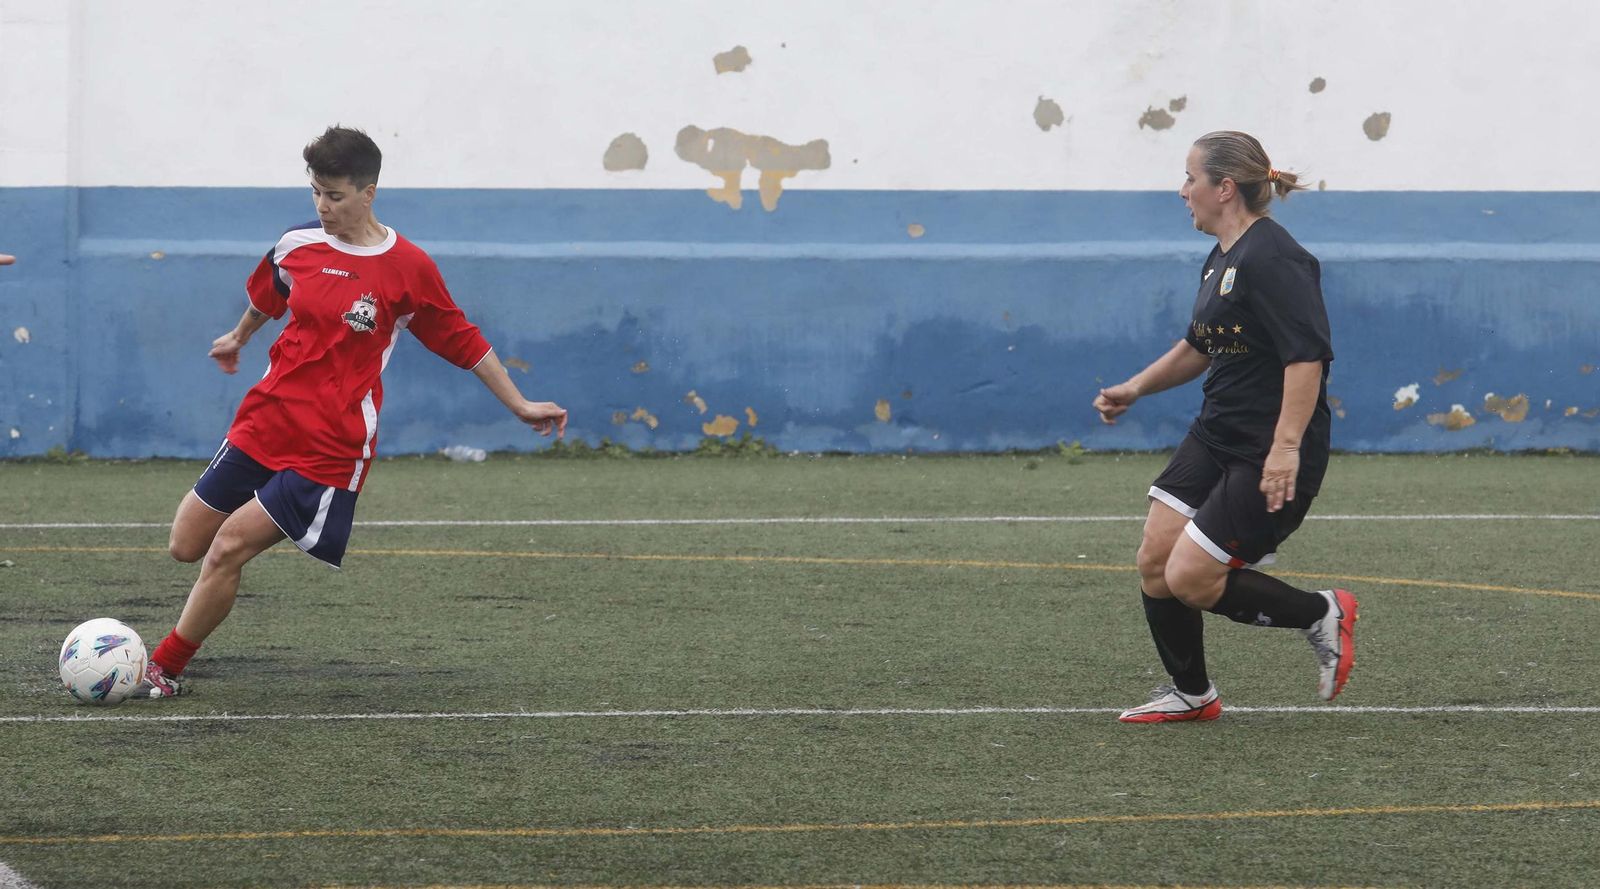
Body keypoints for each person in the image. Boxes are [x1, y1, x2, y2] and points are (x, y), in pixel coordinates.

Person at [140, 125, 568, 697]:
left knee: (226, 549)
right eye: (316, 192)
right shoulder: (297, 243)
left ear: (368, 194)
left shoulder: (406, 267)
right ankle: (187, 633)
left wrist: (518, 403)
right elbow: (272, 291)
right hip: (265, 419)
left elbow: (461, 338)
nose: (323, 206)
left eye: (335, 196)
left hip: (331, 444)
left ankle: (164, 667)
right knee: (185, 544)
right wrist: (238, 337)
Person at [1093, 130, 1356, 723]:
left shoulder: (1275, 258)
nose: (1182, 190)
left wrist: (1285, 448)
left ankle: (1321, 612)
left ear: (1225, 188)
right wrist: (1135, 388)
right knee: (1156, 558)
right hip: (1216, 433)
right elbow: (1200, 345)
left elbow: (1306, 359)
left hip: (1267, 448)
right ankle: (1193, 694)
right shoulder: (1224, 256)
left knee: (1190, 577)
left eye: (1191, 178)